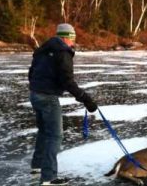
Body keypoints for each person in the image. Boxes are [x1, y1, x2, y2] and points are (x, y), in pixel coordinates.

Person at [28, 23, 97, 185]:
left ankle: (37, 166)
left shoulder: (44, 49)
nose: (74, 42)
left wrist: (37, 88)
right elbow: (68, 81)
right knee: (55, 135)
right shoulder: (63, 53)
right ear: (67, 37)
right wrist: (86, 98)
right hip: (47, 97)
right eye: (73, 38)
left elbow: (31, 73)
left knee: (44, 131)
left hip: (35, 94)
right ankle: (49, 177)